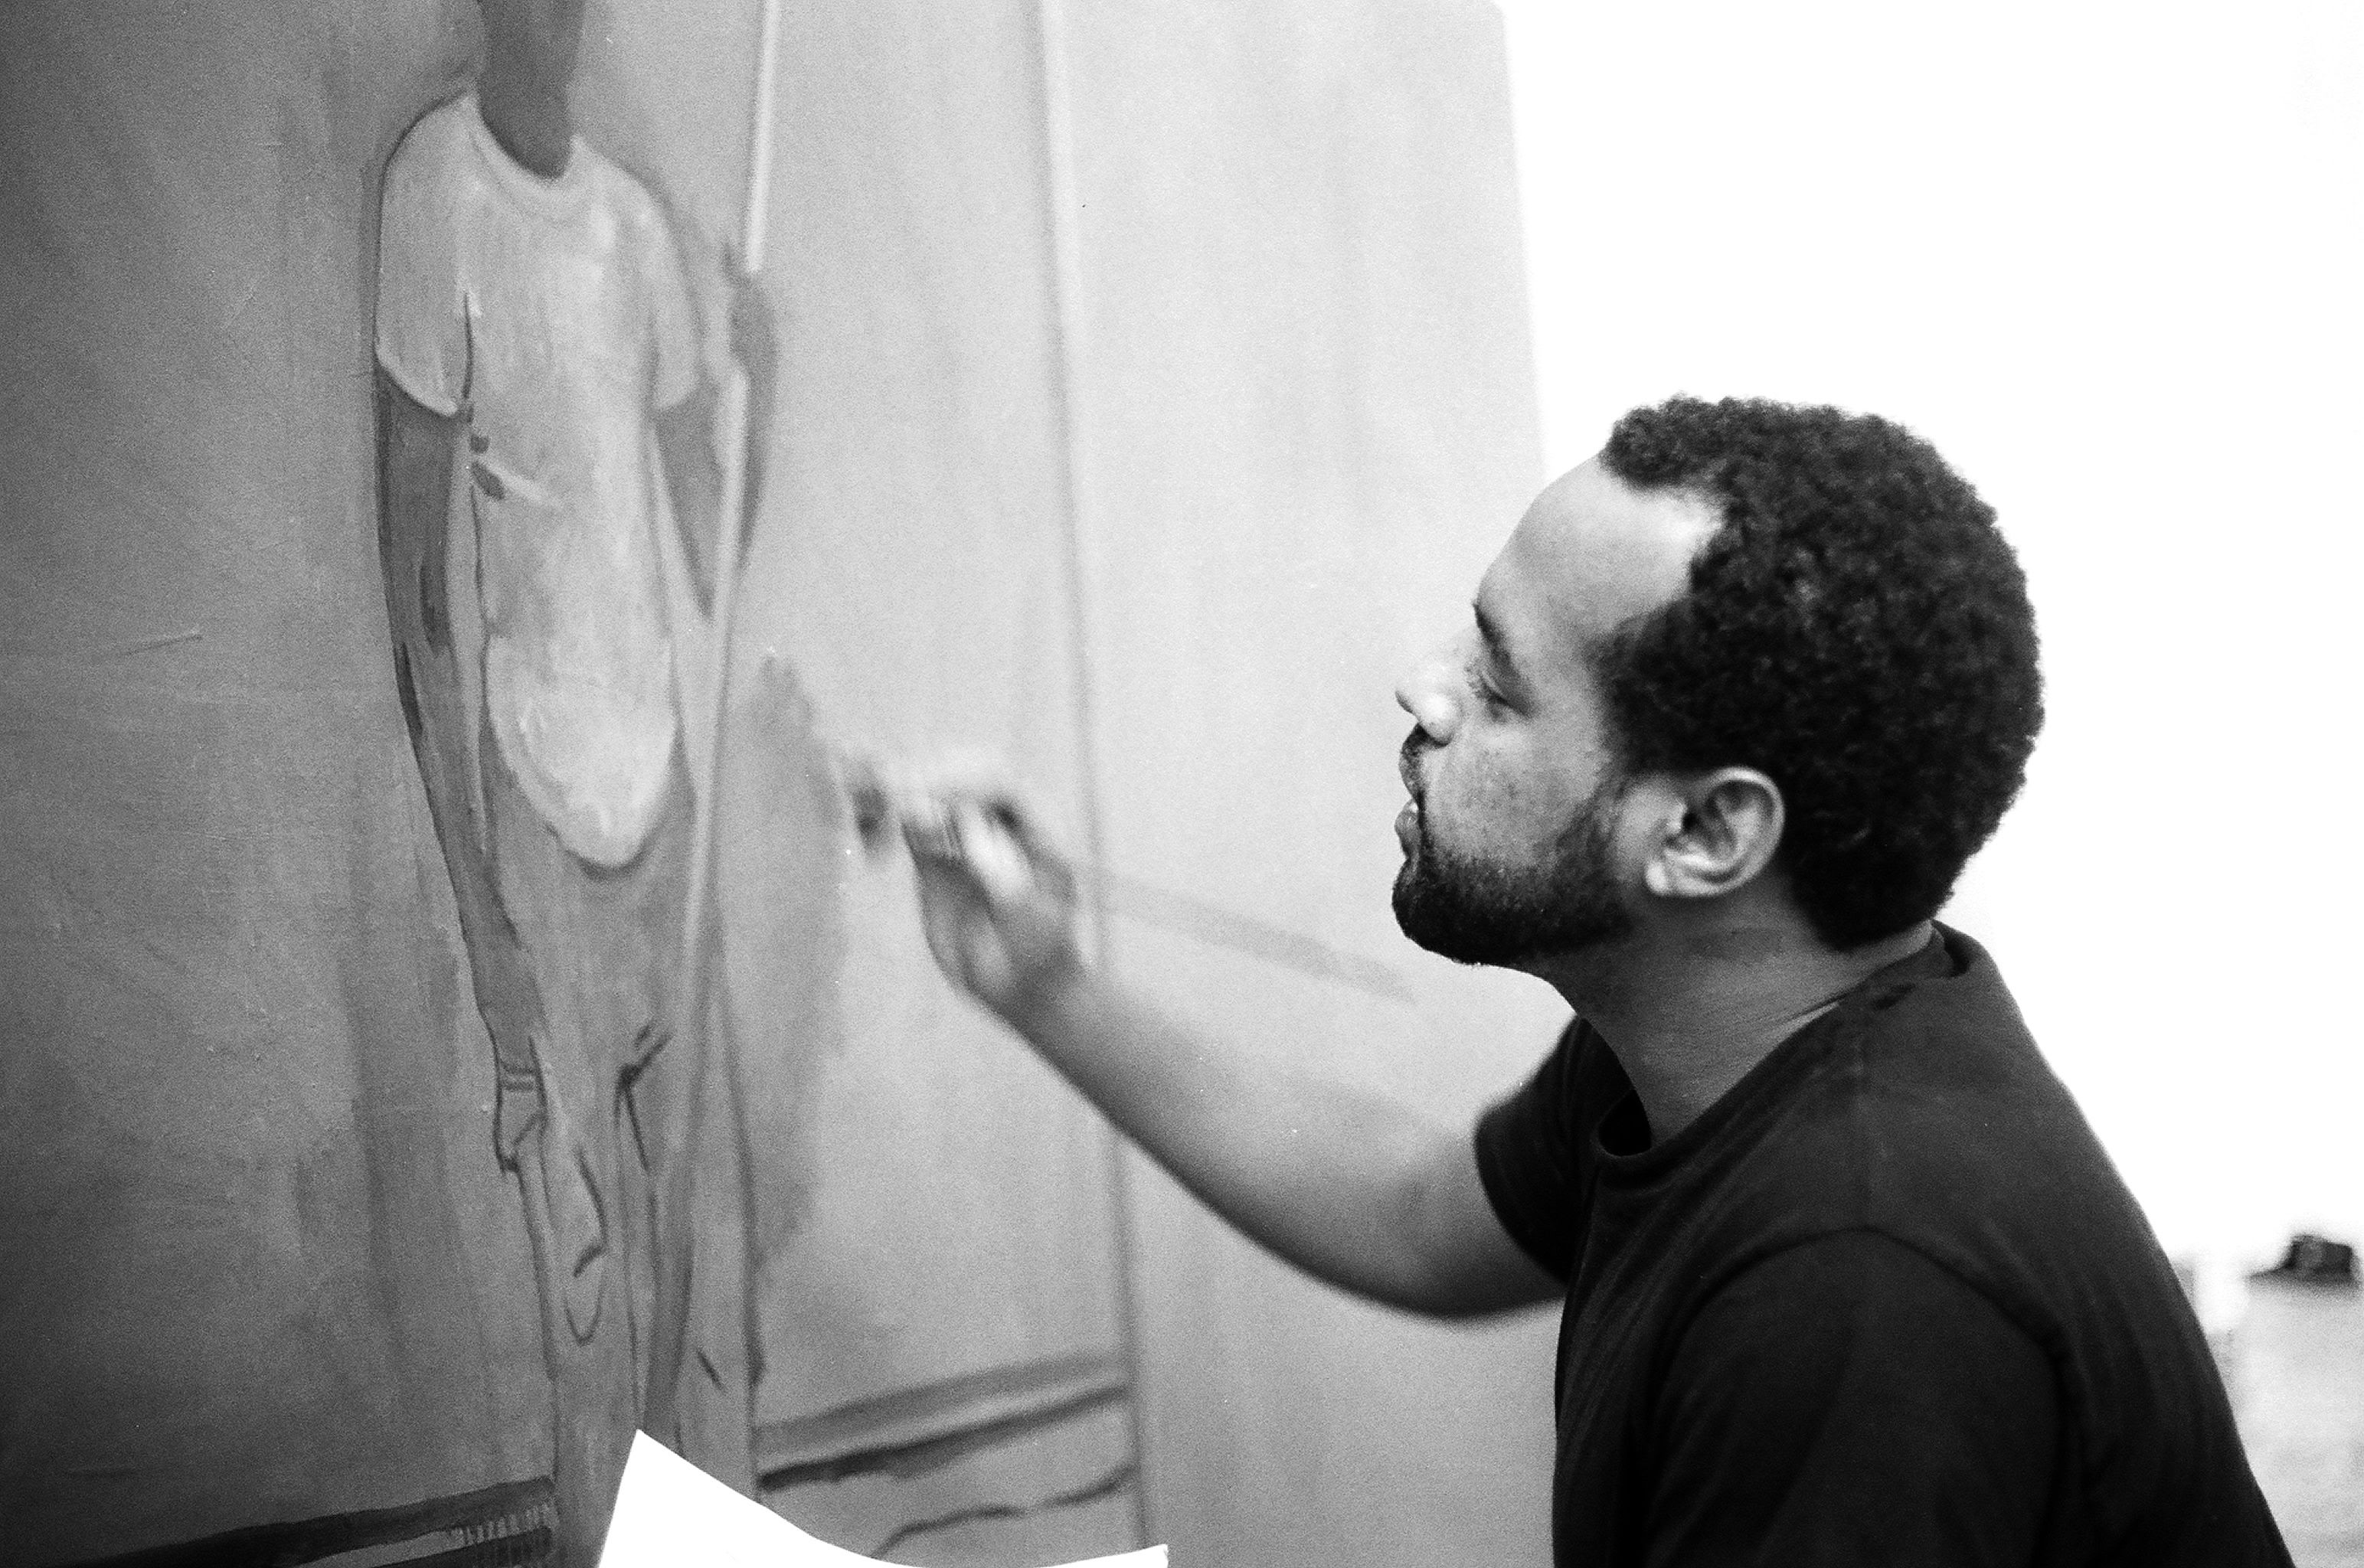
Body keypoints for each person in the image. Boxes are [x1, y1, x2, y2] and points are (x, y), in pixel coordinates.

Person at [893, 397, 2291, 1565]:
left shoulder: (1856, 1289)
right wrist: (1044, 986)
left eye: (1499, 687)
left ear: (1704, 835)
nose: (1424, 689)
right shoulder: (1726, 1040)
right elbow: (1419, 1216)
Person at [373, 0, 776, 1556]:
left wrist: (758, 386)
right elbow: (419, 597)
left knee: (710, 1305)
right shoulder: (435, 193)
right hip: (537, 821)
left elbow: (710, 548)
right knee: (592, 1310)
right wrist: (483, 922)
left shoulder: (633, 231)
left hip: (666, 817)